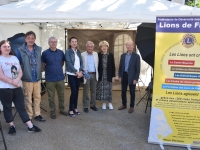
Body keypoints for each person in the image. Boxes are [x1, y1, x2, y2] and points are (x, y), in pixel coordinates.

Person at [0, 40, 41, 135]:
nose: (7, 48)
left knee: (21, 107)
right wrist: (14, 83)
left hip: (17, 87)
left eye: (8, 46)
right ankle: (12, 126)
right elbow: (1, 76)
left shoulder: (14, 58)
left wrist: (17, 80)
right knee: (7, 107)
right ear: (0, 48)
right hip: (4, 88)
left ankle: (30, 126)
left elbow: (20, 71)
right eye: (4, 46)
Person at [16, 31, 46, 122]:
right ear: (25, 39)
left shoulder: (39, 49)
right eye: (28, 38)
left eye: (32, 38)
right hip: (27, 77)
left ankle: (37, 114)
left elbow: (41, 62)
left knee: (37, 97)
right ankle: (29, 116)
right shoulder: (20, 50)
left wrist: (42, 69)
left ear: (35, 39)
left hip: (37, 77)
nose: (30, 40)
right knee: (28, 98)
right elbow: (17, 64)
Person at [42, 37, 68, 119]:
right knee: (51, 96)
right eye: (51, 42)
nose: (53, 43)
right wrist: (49, 70)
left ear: (57, 43)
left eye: (55, 42)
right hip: (50, 78)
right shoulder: (45, 53)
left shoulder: (60, 52)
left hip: (60, 77)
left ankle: (62, 109)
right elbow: (43, 64)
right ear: (49, 43)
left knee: (61, 95)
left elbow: (62, 62)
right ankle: (53, 111)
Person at [118, 41, 140, 113]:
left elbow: (138, 69)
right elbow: (120, 67)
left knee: (132, 92)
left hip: (132, 77)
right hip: (124, 75)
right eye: (128, 45)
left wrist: (136, 78)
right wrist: (120, 76)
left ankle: (131, 106)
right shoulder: (123, 55)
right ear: (126, 46)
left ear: (133, 46)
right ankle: (124, 104)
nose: (129, 46)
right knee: (123, 91)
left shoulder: (136, 56)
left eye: (131, 45)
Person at [65, 37, 83, 117]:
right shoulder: (68, 52)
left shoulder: (78, 52)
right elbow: (68, 63)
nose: (74, 43)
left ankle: (75, 108)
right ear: (70, 43)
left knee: (77, 92)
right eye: (72, 42)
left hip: (79, 74)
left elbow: (81, 62)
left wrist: (81, 71)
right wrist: (76, 72)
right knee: (74, 92)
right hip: (72, 74)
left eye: (75, 41)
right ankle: (70, 109)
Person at [96, 40, 115, 110]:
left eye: (105, 46)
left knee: (109, 90)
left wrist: (113, 76)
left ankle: (110, 103)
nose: (104, 47)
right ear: (101, 48)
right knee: (102, 90)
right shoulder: (98, 55)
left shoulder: (111, 55)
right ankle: (103, 103)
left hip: (108, 75)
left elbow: (113, 66)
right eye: (102, 46)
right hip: (101, 75)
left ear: (107, 47)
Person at [81, 41, 99, 113]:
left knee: (93, 91)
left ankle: (92, 105)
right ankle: (85, 106)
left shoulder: (96, 54)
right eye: (88, 46)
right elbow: (81, 65)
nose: (90, 48)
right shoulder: (82, 54)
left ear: (93, 47)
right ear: (86, 47)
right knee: (85, 91)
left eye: (91, 47)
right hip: (86, 75)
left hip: (94, 74)